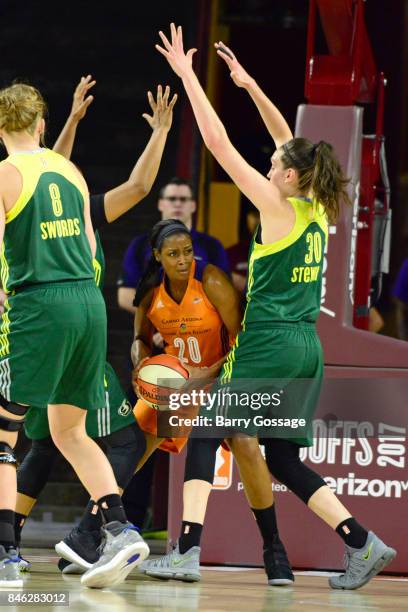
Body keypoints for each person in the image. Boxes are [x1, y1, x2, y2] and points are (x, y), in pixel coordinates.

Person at [150, 25, 397, 590]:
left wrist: (189, 75)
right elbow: (288, 137)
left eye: (273, 166)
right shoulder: (315, 204)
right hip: (306, 346)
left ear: (288, 176)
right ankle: (363, 542)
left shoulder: (276, 205)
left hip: (267, 340)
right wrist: (250, 85)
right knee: (282, 456)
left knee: (208, 432)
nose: (266, 168)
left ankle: (186, 552)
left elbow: (217, 146)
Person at [13, 79, 177, 573]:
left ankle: (27, 543)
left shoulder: (76, 201)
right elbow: (46, 170)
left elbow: (129, 185)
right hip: (64, 321)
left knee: (44, 443)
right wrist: (69, 124)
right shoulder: (55, 197)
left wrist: (71, 126)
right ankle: (95, 533)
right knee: (88, 440)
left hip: (56, 323)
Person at [117, 177, 230, 316]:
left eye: (183, 199)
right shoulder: (140, 244)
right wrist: (163, 321)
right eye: (171, 199)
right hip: (152, 334)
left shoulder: (212, 245)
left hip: (202, 332)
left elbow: (225, 294)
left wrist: (189, 322)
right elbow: (125, 295)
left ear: (193, 205)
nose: (177, 204)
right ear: (160, 204)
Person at [227, 207, 260, 293]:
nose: (260, 220)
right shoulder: (231, 253)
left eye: (264, 214)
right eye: (255, 215)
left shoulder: (285, 253)